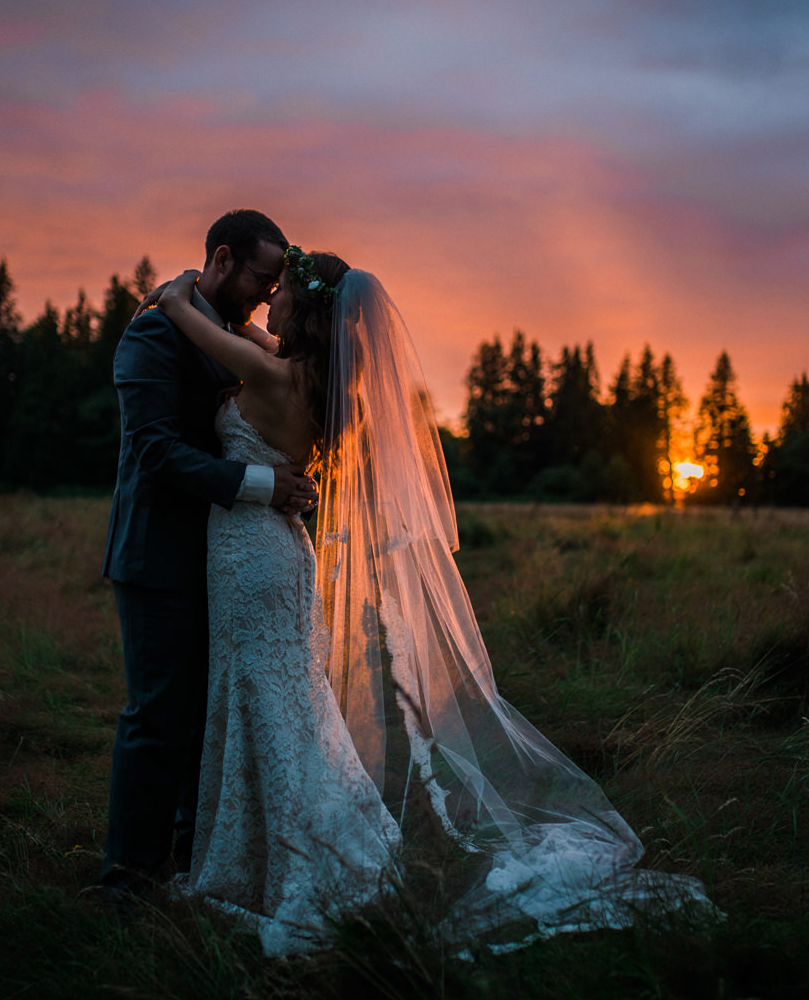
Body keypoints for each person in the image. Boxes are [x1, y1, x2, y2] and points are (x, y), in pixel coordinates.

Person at [150, 247, 714, 954]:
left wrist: (176, 293)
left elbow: (179, 312)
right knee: (283, 701)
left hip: (253, 558)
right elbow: (257, 340)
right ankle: (278, 841)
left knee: (267, 700)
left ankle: (288, 855)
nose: (270, 304)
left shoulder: (268, 370)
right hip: (274, 553)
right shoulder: (314, 378)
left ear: (311, 307)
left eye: (283, 291)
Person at [99, 209, 315, 899]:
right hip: (159, 555)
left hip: (227, 558)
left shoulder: (230, 333)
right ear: (222, 259)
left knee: (209, 715)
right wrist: (264, 486)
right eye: (261, 276)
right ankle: (127, 880)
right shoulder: (152, 332)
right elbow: (156, 450)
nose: (266, 293)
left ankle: (199, 861)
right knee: (158, 716)